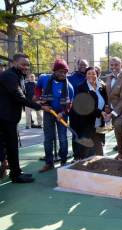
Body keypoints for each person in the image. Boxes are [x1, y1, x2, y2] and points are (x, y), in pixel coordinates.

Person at [0, 53, 50, 183]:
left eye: (27, 65)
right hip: (5, 118)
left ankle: (16, 172)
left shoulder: (19, 76)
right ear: (14, 63)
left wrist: (36, 100)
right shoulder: (9, 76)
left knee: (12, 146)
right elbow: (18, 97)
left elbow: (23, 95)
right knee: (11, 146)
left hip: (9, 118)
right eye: (23, 64)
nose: (26, 67)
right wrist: (39, 107)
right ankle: (16, 175)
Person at [36, 59, 74, 172]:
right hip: (48, 112)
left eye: (65, 72)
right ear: (55, 71)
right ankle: (49, 163)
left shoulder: (69, 87)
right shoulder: (44, 79)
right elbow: (38, 89)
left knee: (62, 138)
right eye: (60, 71)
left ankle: (63, 161)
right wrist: (39, 99)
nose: (63, 74)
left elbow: (69, 104)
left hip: (62, 114)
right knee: (48, 138)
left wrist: (62, 113)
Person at [70, 67, 108, 159]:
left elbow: (106, 100)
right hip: (84, 122)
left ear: (97, 75)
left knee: (99, 147)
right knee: (85, 149)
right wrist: (100, 112)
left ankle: (98, 165)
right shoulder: (81, 87)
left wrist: (107, 109)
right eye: (89, 74)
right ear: (85, 76)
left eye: (93, 73)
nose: (91, 75)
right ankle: (80, 163)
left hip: (99, 122)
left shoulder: (102, 86)